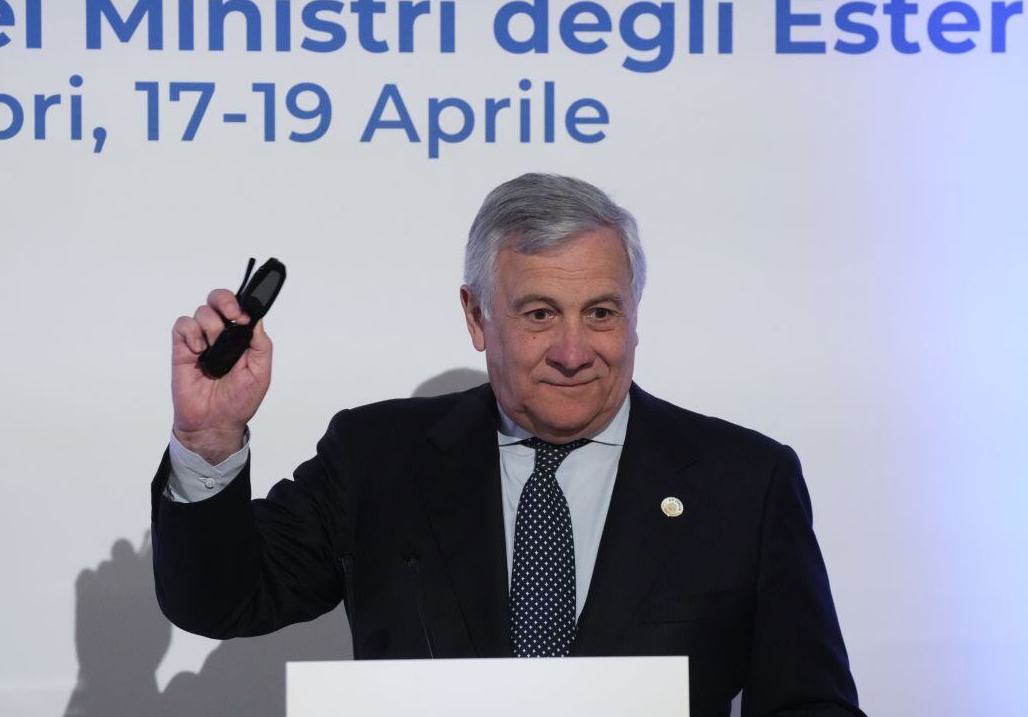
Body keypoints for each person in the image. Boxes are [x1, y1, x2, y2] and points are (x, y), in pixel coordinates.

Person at [150, 173, 865, 717]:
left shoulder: (744, 483)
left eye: (601, 313)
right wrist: (208, 437)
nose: (573, 352)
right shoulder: (378, 459)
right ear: (476, 316)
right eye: (540, 314)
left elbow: (811, 705)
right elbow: (223, 601)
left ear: (635, 316)